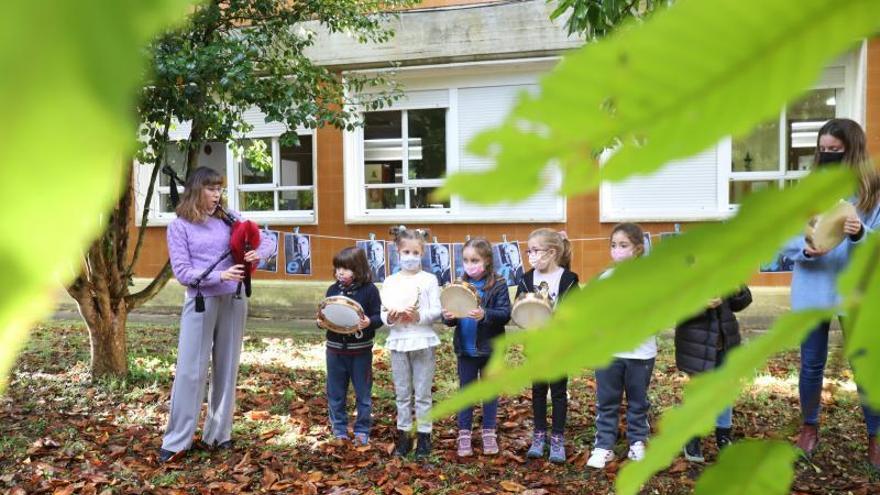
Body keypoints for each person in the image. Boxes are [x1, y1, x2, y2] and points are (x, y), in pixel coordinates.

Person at [159, 167, 276, 463]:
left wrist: (257, 254)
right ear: (196, 190)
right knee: (190, 371)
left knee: (226, 369)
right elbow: (183, 272)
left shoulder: (229, 218)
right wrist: (220, 275)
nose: (217, 195)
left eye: (220, 189)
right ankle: (177, 441)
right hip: (201, 301)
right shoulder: (179, 226)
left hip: (234, 300)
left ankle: (218, 434)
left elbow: (269, 241)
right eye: (211, 189)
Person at [781, 118, 880, 468]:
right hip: (813, 289)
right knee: (810, 366)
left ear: (852, 151)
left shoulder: (873, 191)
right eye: (823, 150)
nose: (827, 156)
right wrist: (806, 249)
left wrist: (859, 234)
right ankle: (809, 428)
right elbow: (784, 238)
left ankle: (875, 435)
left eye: (835, 151)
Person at [587, 223, 656, 469]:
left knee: (638, 401)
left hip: (641, 354)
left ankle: (637, 442)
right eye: (614, 245)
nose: (617, 250)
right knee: (607, 401)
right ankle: (603, 446)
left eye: (623, 245)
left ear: (638, 250)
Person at [441, 238, 511, 457]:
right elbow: (450, 318)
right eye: (466, 260)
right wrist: (448, 318)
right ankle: (464, 434)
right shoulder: (457, 285)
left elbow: (505, 314)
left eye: (475, 260)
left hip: (490, 350)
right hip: (466, 350)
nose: (470, 265)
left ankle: (489, 431)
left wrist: (485, 315)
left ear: (487, 261)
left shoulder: (498, 284)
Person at [519, 229, 580, 463]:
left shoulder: (568, 279)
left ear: (552, 252)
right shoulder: (526, 278)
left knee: (558, 392)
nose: (531, 255)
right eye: (529, 250)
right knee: (537, 391)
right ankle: (539, 435)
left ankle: (557, 438)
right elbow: (520, 309)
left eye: (536, 250)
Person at [381, 227, 442, 459]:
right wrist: (392, 316)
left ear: (422, 253)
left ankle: (425, 435)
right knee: (403, 392)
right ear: (398, 251)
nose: (410, 256)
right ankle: (405, 434)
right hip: (398, 341)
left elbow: (435, 310)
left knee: (423, 392)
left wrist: (419, 316)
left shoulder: (429, 279)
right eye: (406, 251)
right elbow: (383, 312)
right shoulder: (390, 281)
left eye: (415, 252)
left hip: (423, 340)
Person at [676, 287, 752, 462]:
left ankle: (723, 434)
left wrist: (737, 288)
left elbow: (742, 301)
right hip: (697, 342)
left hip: (725, 339)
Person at [317, 247, 382, 445]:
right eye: (337, 268)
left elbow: (379, 316)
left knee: (363, 393)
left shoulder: (369, 290)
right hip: (334, 350)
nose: (340, 272)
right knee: (335, 393)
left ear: (358, 268)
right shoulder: (333, 290)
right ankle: (339, 429)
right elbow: (325, 314)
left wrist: (369, 322)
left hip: (360, 351)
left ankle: (362, 429)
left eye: (345, 268)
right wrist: (320, 322)